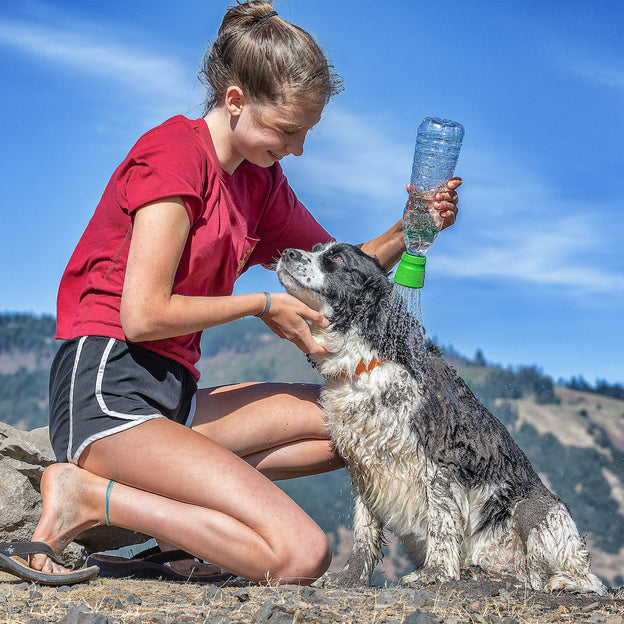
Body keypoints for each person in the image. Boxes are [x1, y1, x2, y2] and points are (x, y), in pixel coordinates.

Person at [28, 0, 461, 585]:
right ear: (235, 100)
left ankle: (177, 540)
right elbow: (144, 316)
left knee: (351, 425)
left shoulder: (260, 182)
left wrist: (413, 229)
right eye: (287, 131)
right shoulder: (174, 155)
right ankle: (84, 496)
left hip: (174, 397)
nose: (298, 148)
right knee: (299, 556)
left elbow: (342, 274)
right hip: (111, 389)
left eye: (305, 133)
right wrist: (262, 304)